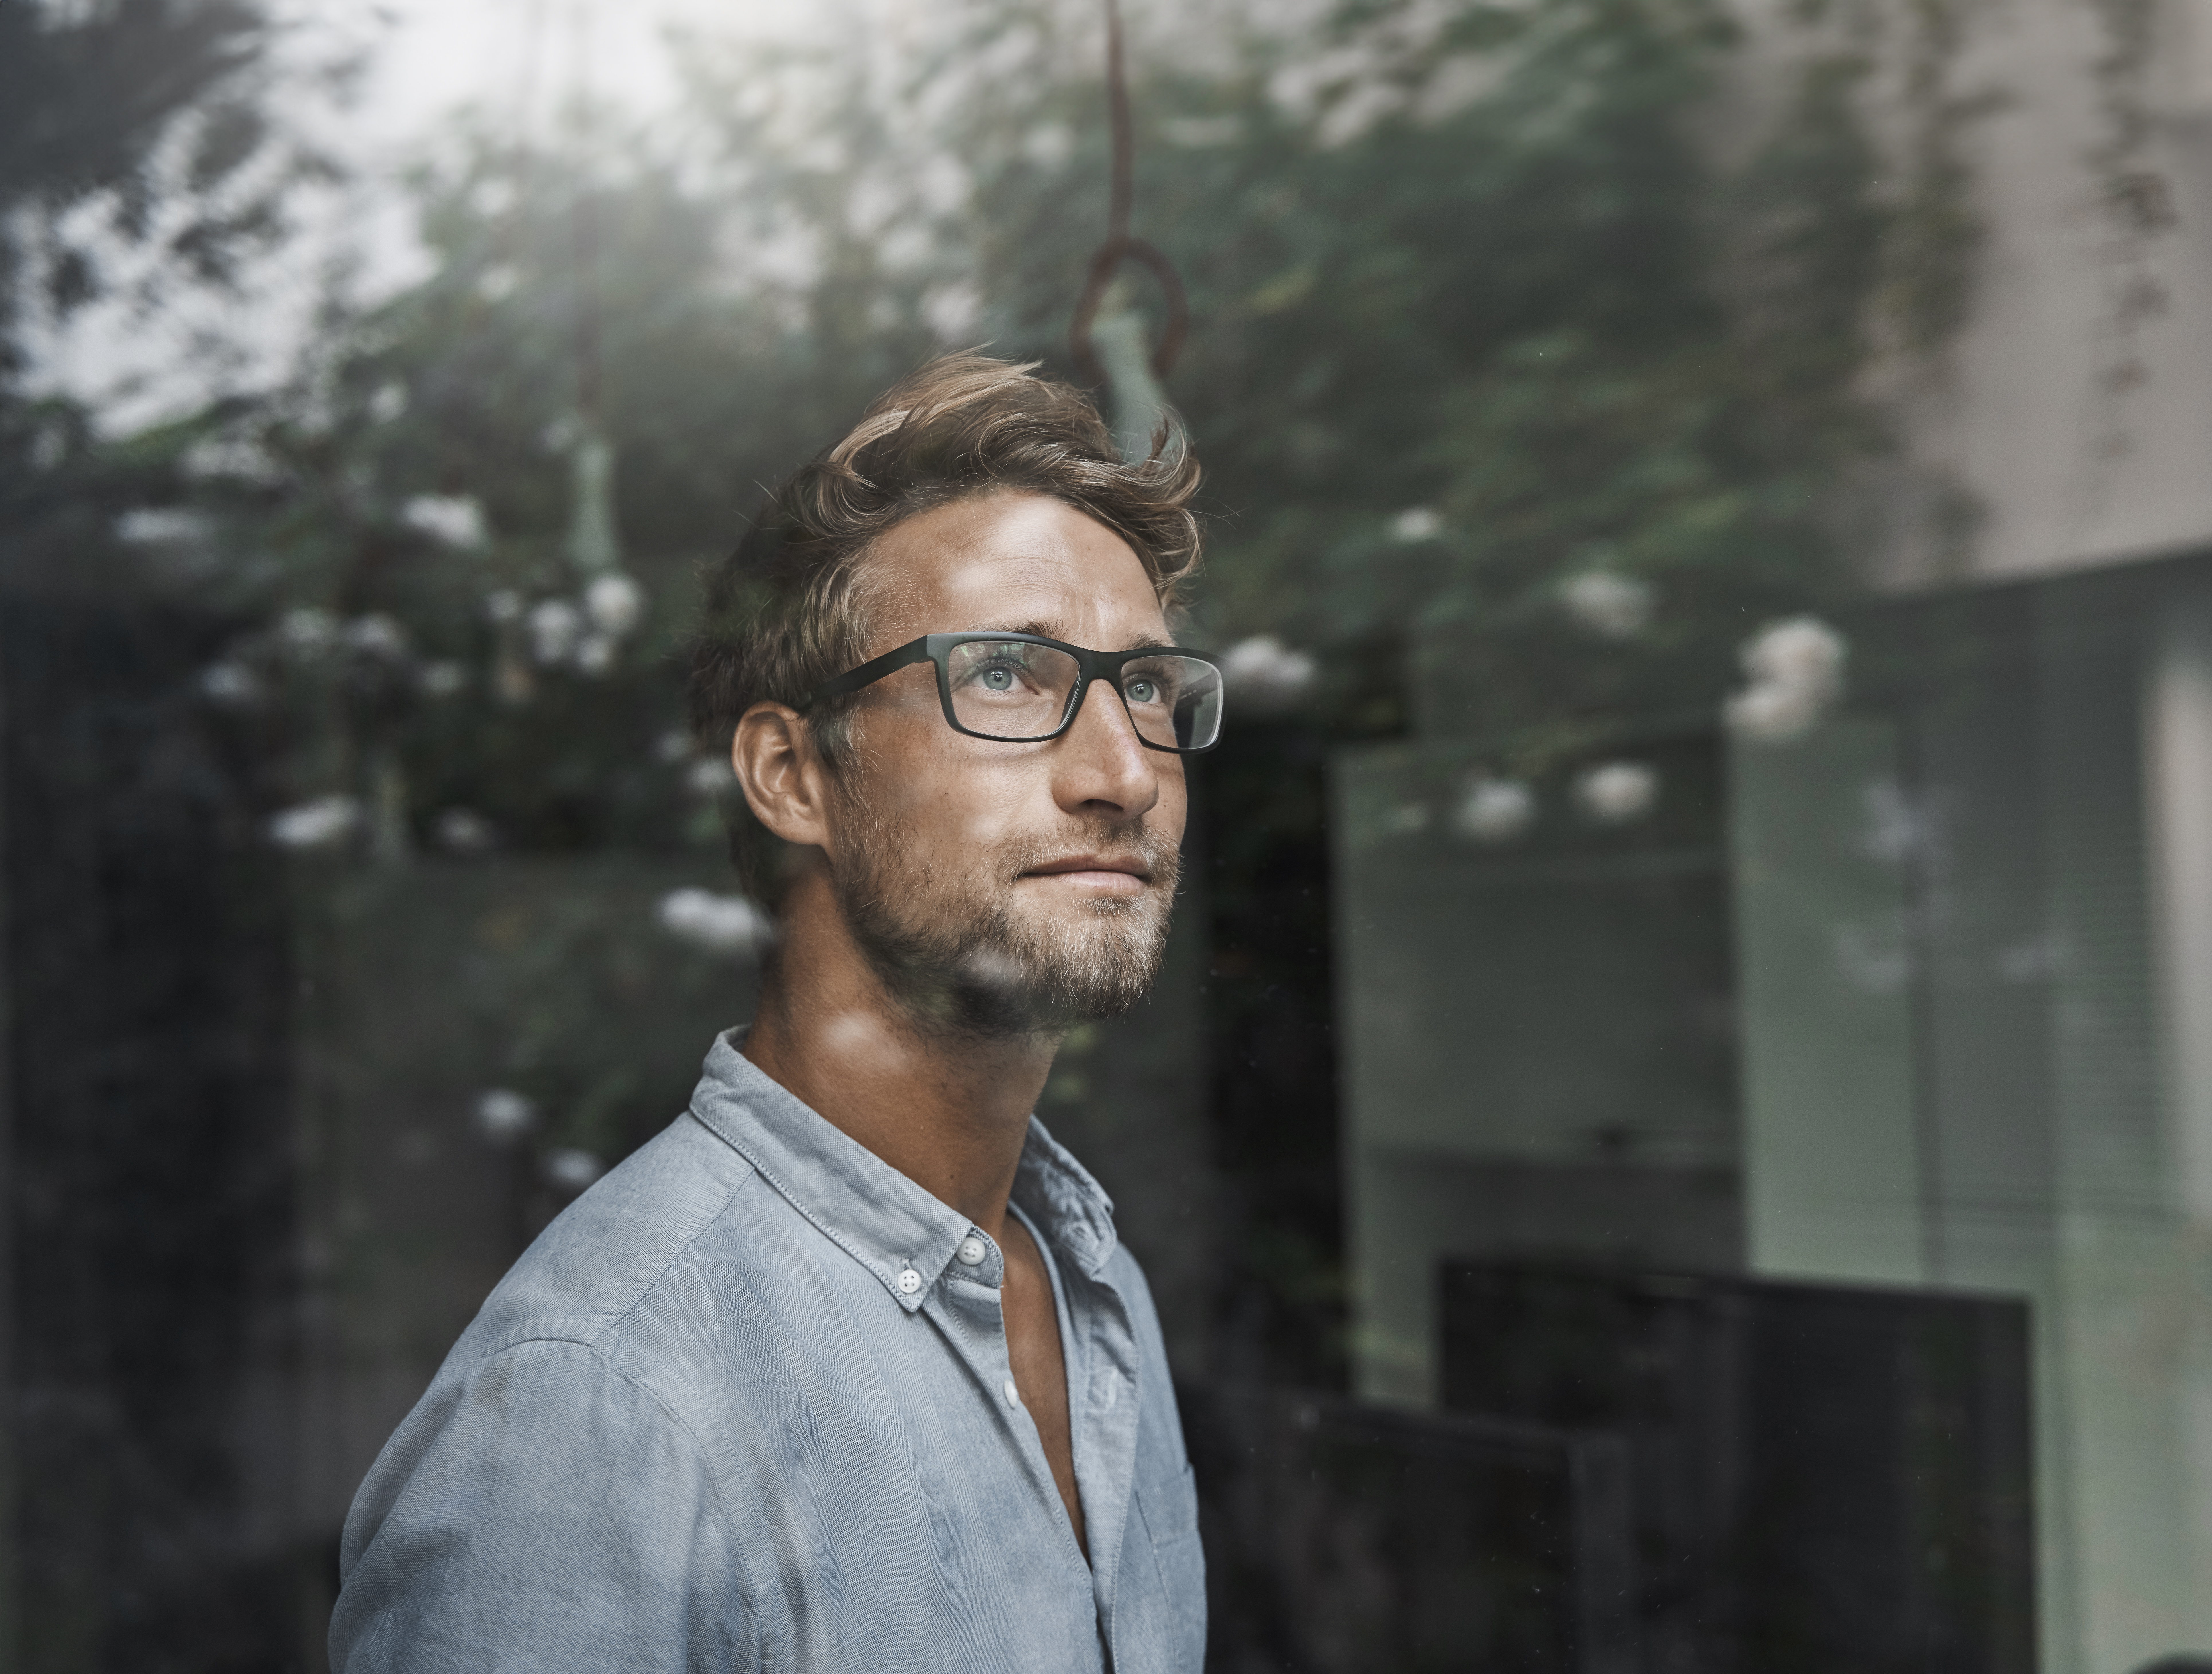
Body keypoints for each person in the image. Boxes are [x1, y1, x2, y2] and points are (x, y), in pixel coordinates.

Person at [329, 354, 1221, 1673]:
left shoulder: (1095, 1287)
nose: (1122, 773)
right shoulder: (595, 1412)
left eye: (1145, 687)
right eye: (1009, 675)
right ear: (792, 774)